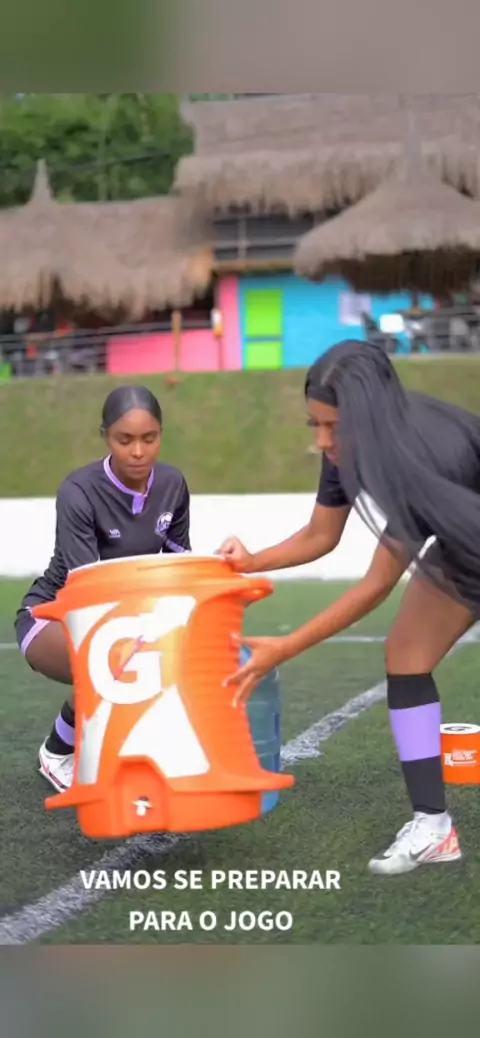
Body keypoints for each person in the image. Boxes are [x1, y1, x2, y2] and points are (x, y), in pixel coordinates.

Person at [218, 338, 480, 876]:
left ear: (369, 418)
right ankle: (433, 829)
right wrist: (252, 561)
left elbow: (375, 586)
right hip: (464, 546)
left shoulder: (422, 453)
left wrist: (285, 647)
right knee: (406, 656)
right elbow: (321, 534)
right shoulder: (348, 445)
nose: (322, 441)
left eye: (333, 427)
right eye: (314, 424)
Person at [15, 384, 191, 794]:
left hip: (128, 615)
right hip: (52, 615)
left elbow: (178, 564)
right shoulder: (78, 491)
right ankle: (58, 752)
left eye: (149, 438)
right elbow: (89, 592)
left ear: (161, 434)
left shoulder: (172, 484)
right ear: (106, 437)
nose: (138, 451)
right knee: (117, 657)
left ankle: (136, 755)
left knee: (174, 654)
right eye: (124, 440)